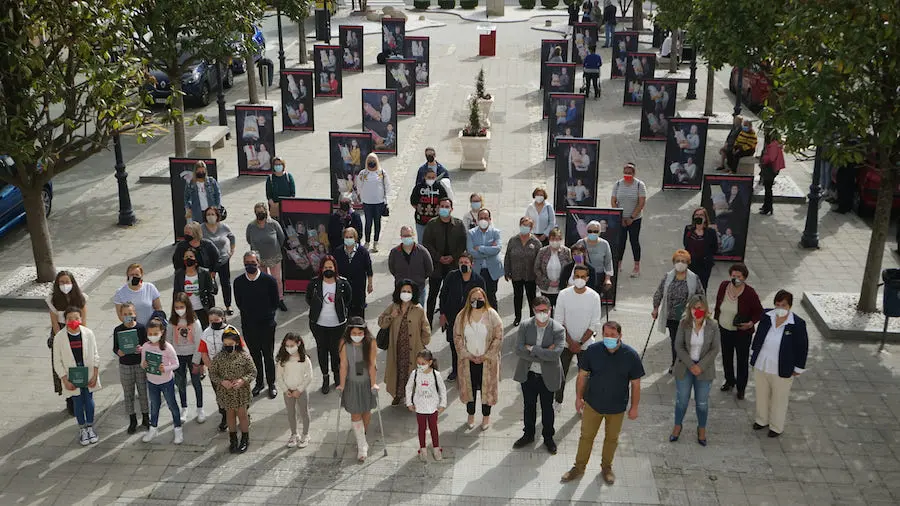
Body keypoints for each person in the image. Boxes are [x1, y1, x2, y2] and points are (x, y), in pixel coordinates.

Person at [561, 321, 643, 484]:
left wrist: (634, 407)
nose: (609, 338)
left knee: (612, 439)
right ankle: (578, 467)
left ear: (620, 335)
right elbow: (582, 375)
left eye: (613, 335)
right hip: (593, 404)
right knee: (586, 437)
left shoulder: (631, 355)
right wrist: (578, 398)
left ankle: (606, 467)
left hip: (617, 407)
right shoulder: (593, 350)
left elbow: (636, 384)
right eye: (606, 334)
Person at [751, 290, 808, 438]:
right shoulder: (766, 316)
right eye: (777, 304)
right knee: (761, 394)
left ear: (790, 306)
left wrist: (798, 367)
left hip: (782, 367)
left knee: (779, 398)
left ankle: (776, 426)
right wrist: (753, 352)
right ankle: (761, 420)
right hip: (762, 364)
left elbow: (802, 347)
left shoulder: (797, 324)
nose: (780, 307)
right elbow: (758, 336)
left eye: (784, 305)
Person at [513, 296, 565, 454]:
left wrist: (533, 349)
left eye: (545, 310)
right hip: (528, 374)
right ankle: (528, 434)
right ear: (534, 311)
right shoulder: (525, 325)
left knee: (547, 408)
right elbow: (518, 349)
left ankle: (548, 437)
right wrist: (544, 352)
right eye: (539, 311)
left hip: (547, 376)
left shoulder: (558, 329)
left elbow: (555, 354)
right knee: (529, 406)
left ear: (550, 310)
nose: (542, 313)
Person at [671, 295, 720, 446]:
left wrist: (700, 366)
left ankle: (702, 429)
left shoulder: (713, 325)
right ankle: (677, 426)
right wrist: (691, 364)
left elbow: (715, 349)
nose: (696, 311)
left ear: (705, 309)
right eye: (693, 308)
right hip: (686, 367)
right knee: (682, 400)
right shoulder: (684, 324)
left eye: (699, 308)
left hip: (704, 369)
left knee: (702, 403)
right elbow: (678, 346)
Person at [453, 287, 503, 431]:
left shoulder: (492, 315)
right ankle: (471, 415)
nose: (476, 302)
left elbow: (498, 337)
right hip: (468, 362)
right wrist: (467, 354)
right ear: (469, 300)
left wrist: (486, 356)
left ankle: (486, 417)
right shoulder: (462, 316)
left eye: (479, 299)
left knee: (487, 391)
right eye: (473, 299)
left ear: (485, 299)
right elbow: (457, 337)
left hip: (487, 362)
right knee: (470, 390)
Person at [554, 265, 602, 412]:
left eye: (583, 277)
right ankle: (557, 401)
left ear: (587, 279)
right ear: (573, 277)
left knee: (584, 377)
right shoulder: (563, 294)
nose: (579, 279)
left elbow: (594, 323)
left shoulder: (594, 296)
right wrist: (571, 342)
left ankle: (581, 402)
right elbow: (559, 321)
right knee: (560, 374)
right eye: (577, 276)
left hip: (586, 344)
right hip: (565, 343)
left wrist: (580, 342)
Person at [233, 251, 280, 399]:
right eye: (247, 263)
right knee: (255, 356)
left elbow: (275, 302)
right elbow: (239, 302)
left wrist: (266, 315)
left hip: (266, 325)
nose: (250, 266)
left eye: (253, 263)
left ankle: (271, 383)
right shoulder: (238, 282)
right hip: (249, 325)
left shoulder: (269, 281)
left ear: (259, 263)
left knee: (268, 354)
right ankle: (259, 382)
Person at [714, 263, 763, 400]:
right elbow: (719, 303)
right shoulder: (724, 286)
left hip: (741, 333)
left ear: (744, 277)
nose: (735, 278)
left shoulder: (749, 293)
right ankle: (729, 380)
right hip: (724, 329)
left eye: (738, 276)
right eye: (733, 276)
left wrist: (750, 323)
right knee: (726, 357)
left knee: (741, 360)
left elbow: (758, 311)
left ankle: (741, 388)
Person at [53, 307, 102, 445]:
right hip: (72, 375)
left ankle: (90, 427)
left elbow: (95, 355)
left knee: (89, 400)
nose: (73, 321)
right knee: (78, 402)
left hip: (88, 372)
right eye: (69, 319)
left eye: (76, 318)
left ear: (81, 319)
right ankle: (82, 429)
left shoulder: (88, 333)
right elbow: (57, 361)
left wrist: (95, 375)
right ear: (65, 320)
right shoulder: (60, 338)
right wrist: (65, 379)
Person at [652, 250, 705, 373]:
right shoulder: (668, 276)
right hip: (671, 315)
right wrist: (655, 308)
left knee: (685, 341)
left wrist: (699, 310)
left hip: (687, 316)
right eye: (678, 261)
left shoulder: (693, 278)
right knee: (675, 341)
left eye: (683, 261)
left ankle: (684, 363)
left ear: (688, 263)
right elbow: (659, 292)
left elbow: (701, 295)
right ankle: (675, 363)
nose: (680, 263)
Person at [305, 255, 352, 394]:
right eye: (325, 267)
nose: (328, 270)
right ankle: (325, 377)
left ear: (335, 268)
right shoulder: (314, 283)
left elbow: (348, 299)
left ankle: (337, 376)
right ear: (321, 269)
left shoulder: (343, 283)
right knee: (322, 351)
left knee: (336, 352)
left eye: (330, 267)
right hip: (318, 324)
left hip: (337, 324)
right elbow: (309, 298)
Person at [379, 280, 431, 405]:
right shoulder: (394, 306)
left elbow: (426, 328)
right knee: (398, 371)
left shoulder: (418, 309)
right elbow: (381, 322)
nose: (406, 294)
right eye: (404, 291)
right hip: (397, 348)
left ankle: (412, 397)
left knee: (411, 372)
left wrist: (423, 343)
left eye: (409, 291)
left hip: (413, 348)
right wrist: (391, 316)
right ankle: (398, 395)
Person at [47, 270, 90, 416]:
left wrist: (79, 335)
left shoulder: (80, 298)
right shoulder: (52, 299)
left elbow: (83, 320)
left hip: (77, 334)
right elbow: (54, 322)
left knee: (79, 364)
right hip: (60, 335)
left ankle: (83, 395)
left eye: (67, 282)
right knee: (64, 367)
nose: (64, 285)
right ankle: (70, 400)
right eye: (61, 282)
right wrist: (61, 339)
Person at [337, 317, 379, 462]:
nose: (356, 335)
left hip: (366, 382)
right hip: (352, 383)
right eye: (353, 333)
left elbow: (372, 364)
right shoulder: (344, 343)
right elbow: (343, 365)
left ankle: (362, 434)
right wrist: (341, 385)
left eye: (359, 333)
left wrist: (373, 384)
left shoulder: (371, 342)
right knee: (355, 413)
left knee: (366, 411)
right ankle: (362, 445)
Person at [196, 307, 245, 432]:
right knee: (221, 396)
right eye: (210, 320)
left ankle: (244, 415)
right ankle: (224, 416)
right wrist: (212, 369)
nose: (213, 322)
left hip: (233, 369)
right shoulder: (206, 333)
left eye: (216, 320)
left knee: (238, 394)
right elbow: (204, 353)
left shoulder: (232, 331)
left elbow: (242, 349)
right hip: (216, 371)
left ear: (222, 318)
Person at [209, 327, 256, 453]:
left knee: (242, 415)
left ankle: (245, 439)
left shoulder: (244, 357)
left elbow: (253, 372)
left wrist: (242, 380)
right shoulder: (219, 358)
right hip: (227, 392)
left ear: (236, 342)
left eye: (230, 344)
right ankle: (233, 439)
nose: (228, 346)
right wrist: (222, 382)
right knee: (230, 415)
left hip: (241, 391)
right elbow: (213, 373)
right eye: (225, 344)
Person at [439, 254, 486, 381]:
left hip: (470, 320)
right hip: (452, 319)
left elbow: (483, 301)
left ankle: (468, 371)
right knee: (454, 346)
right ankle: (455, 370)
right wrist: (442, 313)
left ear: (472, 264)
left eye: (466, 262)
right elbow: (443, 295)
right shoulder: (451, 276)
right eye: (461, 262)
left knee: (468, 346)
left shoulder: (478, 280)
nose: (463, 264)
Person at [423, 198, 468, 324]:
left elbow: (462, 243)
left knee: (452, 294)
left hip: (452, 266)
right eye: (442, 206)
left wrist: (453, 257)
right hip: (436, 266)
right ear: (438, 208)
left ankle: (452, 320)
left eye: (447, 206)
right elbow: (426, 243)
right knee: (432, 295)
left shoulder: (458, 224)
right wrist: (438, 257)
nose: (444, 208)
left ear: (451, 209)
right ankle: (429, 321)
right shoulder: (432, 224)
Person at [140, 318, 183, 445]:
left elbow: (176, 364)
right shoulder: (146, 346)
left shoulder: (167, 347)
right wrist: (144, 364)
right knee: (154, 406)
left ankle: (178, 429)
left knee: (172, 405)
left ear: (162, 332)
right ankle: (153, 428)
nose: (152, 336)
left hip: (166, 382)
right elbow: (143, 364)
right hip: (152, 382)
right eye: (150, 334)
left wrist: (166, 368)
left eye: (155, 333)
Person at [113, 302, 149, 433]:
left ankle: (146, 417)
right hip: (125, 365)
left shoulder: (141, 328)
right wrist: (118, 352)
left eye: (130, 314)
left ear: (135, 314)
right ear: (121, 316)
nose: (128, 316)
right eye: (125, 314)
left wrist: (142, 348)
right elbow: (115, 347)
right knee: (128, 393)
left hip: (139, 365)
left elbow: (147, 344)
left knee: (143, 391)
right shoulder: (118, 330)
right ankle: (132, 419)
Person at [168, 293, 205, 424]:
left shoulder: (195, 322)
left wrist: (196, 361)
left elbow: (198, 343)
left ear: (187, 306)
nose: (179, 309)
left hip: (192, 356)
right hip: (178, 357)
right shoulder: (172, 321)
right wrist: (171, 360)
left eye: (181, 306)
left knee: (196, 383)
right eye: (176, 307)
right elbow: (169, 341)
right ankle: (184, 408)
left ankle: (200, 408)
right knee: (181, 383)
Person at [406, 349, 447, 461]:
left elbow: (442, 389)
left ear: (430, 362)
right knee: (421, 428)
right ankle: (423, 448)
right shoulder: (415, 374)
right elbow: (409, 388)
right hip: (420, 407)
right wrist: (409, 403)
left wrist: (442, 404)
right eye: (418, 363)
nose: (420, 366)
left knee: (434, 428)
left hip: (433, 407)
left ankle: (436, 448)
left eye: (423, 364)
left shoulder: (436, 374)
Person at [246, 203, 287, 311]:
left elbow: (281, 238)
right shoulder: (251, 226)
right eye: (258, 211)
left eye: (262, 211)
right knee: (262, 280)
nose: (260, 213)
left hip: (274, 256)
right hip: (259, 259)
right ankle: (266, 299)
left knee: (276, 279)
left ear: (266, 211)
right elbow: (249, 239)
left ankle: (280, 299)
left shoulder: (273, 224)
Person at [275, 333, 314, 449]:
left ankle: (306, 434)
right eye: (287, 346)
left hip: (301, 391)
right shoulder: (282, 360)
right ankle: (294, 434)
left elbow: (309, 376)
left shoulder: (304, 359)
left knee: (304, 412)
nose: (289, 348)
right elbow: (279, 377)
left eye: (292, 345)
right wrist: (285, 389)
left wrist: (300, 389)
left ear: (298, 344)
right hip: (288, 391)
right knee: (291, 413)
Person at [611, 163, 646, 277]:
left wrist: (632, 217)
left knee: (634, 241)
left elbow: (641, 203)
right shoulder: (618, 184)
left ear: (634, 173)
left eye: (629, 173)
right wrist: (619, 216)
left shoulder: (639, 185)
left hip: (635, 219)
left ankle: (636, 267)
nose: (627, 175)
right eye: (625, 172)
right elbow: (613, 201)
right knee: (620, 242)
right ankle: (618, 264)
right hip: (621, 219)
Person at [505, 217, 542, 326]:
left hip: (531, 275)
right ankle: (517, 317)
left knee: (532, 298)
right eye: (523, 225)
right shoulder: (513, 240)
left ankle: (532, 318)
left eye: (527, 226)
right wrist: (507, 271)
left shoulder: (536, 242)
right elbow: (507, 256)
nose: (524, 228)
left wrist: (539, 275)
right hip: (516, 274)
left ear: (531, 228)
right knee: (518, 296)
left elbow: (540, 259)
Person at [467, 208, 503, 311]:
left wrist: (480, 248)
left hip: (492, 270)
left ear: (490, 219)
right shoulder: (471, 233)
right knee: (476, 297)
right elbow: (470, 251)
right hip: (477, 270)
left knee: (491, 296)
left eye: (486, 218)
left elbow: (497, 249)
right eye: (481, 218)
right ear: (477, 220)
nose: (483, 220)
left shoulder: (496, 232)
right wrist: (488, 251)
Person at [202, 207, 235, 315]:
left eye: (212, 214)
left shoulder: (224, 227)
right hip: (208, 262)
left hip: (223, 259)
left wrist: (232, 250)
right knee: (209, 284)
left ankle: (228, 304)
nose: (210, 216)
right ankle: (211, 307)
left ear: (217, 216)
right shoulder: (201, 228)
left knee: (225, 283)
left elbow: (231, 236)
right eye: (208, 214)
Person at [334, 227, 374, 318]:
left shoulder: (362, 252)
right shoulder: (338, 252)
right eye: (346, 237)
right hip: (343, 288)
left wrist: (370, 284)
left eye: (351, 237)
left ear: (355, 238)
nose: (348, 239)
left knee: (358, 315)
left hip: (358, 288)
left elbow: (369, 269)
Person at [388, 225, 433, 303]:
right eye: (404, 236)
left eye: (408, 235)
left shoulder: (422, 251)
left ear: (413, 236)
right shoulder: (394, 252)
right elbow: (392, 268)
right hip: (401, 290)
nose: (406, 238)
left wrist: (420, 278)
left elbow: (429, 269)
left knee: (418, 313)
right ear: (401, 236)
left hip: (418, 289)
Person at [173, 248, 217, 328]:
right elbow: (176, 293)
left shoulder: (204, 273)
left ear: (196, 259)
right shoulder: (179, 274)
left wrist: (212, 310)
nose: (188, 259)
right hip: (186, 311)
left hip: (202, 310)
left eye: (191, 256)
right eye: (186, 257)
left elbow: (210, 292)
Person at [356, 153, 391, 252]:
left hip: (379, 202)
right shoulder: (363, 173)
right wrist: (361, 196)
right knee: (368, 222)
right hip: (367, 202)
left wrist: (384, 198)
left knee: (377, 222)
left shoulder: (382, 173)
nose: (372, 162)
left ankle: (376, 243)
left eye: (373, 160)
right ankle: (367, 242)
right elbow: (358, 186)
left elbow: (387, 186)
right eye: (370, 160)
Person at [573, 220, 614, 294]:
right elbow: (576, 260)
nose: (592, 233)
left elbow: (608, 262)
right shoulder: (580, 243)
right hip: (583, 275)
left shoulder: (604, 244)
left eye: (595, 231)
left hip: (598, 276)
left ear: (599, 232)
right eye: (590, 231)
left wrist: (608, 279)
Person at [534, 228, 572, 307]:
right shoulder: (542, 251)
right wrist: (548, 282)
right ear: (549, 239)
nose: (554, 241)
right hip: (545, 287)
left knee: (560, 309)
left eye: (557, 239)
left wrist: (560, 281)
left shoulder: (566, 251)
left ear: (560, 239)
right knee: (547, 308)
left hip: (561, 288)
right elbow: (536, 268)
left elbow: (570, 269)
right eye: (552, 239)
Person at [682, 208, 718, 290]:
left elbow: (714, 247)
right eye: (696, 215)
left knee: (702, 286)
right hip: (691, 263)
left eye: (701, 215)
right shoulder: (688, 229)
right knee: (689, 285)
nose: (698, 217)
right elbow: (685, 243)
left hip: (704, 265)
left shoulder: (710, 232)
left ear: (705, 218)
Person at [410, 165, 448, 240]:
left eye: (433, 177)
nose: (431, 179)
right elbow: (413, 201)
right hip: (421, 221)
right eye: (429, 177)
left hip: (436, 222)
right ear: (425, 177)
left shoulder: (440, 188)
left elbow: (445, 201)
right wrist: (421, 209)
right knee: (421, 241)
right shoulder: (418, 187)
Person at [759, 129, 786, 215]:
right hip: (771, 168)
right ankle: (766, 206)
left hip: (770, 169)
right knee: (768, 188)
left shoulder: (773, 145)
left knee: (768, 189)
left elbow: (771, 158)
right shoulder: (774, 144)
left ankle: (768, 207)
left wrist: (763, 159)